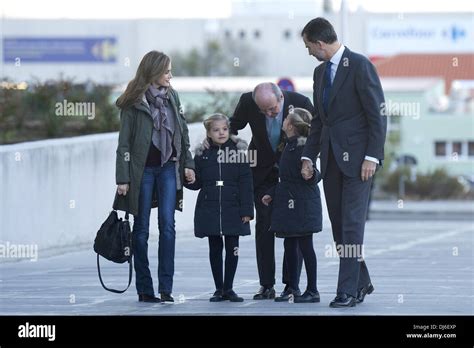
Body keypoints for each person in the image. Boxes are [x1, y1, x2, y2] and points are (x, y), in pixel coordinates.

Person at [300, 18, 387, 308]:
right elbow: (317, 121)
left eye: (309, 46)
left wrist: (372, 157)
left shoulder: (360, 66)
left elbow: (377, 115)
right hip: (331, 160)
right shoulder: (319, 73)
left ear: (320, 43)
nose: (309, 52)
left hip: (360, 161)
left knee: (351, 226)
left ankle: (347, 291)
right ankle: (362, 280)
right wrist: (307, 155)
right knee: (339, 228)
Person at [114, 51, 196, 303]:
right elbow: (124, 144)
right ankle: (145, 288)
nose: (170, 76)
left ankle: (166, 288)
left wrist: (188, 164)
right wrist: (123, 178)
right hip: (142, 173)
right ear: (153, 72)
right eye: (167, 71)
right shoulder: (134, 102)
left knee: (168, 227)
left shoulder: (173, 96)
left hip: (169, 169)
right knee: (140, 230)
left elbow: (182, 132)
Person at [230, 83, 314, 300]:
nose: (268, 114)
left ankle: (291, 285)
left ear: (282, 98)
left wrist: (308, 161)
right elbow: (233, 126)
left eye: (273, 110)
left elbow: (316, 135)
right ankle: (266, 284)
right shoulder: (248, 101)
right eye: (263, 111)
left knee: (293, 230)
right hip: (261, 174)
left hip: (292, 176)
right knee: (265, 228)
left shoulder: (302, 103)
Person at [185, 114, 254, 302]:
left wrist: (247, 210)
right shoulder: (202, 155)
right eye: (216, 130)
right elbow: (196, 183)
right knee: (214, 248)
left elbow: (246, 182)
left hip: (234, 207)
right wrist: (188, 178)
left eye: (224, 129)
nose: (221, 133)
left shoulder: (239, 153)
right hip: (210, 206)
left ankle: (229, 288)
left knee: (233, 248)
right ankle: (219, 288)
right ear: (208, 133)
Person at [262, 108, 322, 303]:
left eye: (286, 118)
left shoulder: (305, 147)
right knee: (289, 245)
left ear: (291, 125)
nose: (283, 120)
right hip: (288, 205)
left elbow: (315, 174)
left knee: (306, 246)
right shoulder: (288, 145)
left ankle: (312, 289)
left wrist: (311, 173)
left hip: (303, 206)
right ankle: (292, 287)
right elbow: (285, 179)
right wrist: (272, 194)